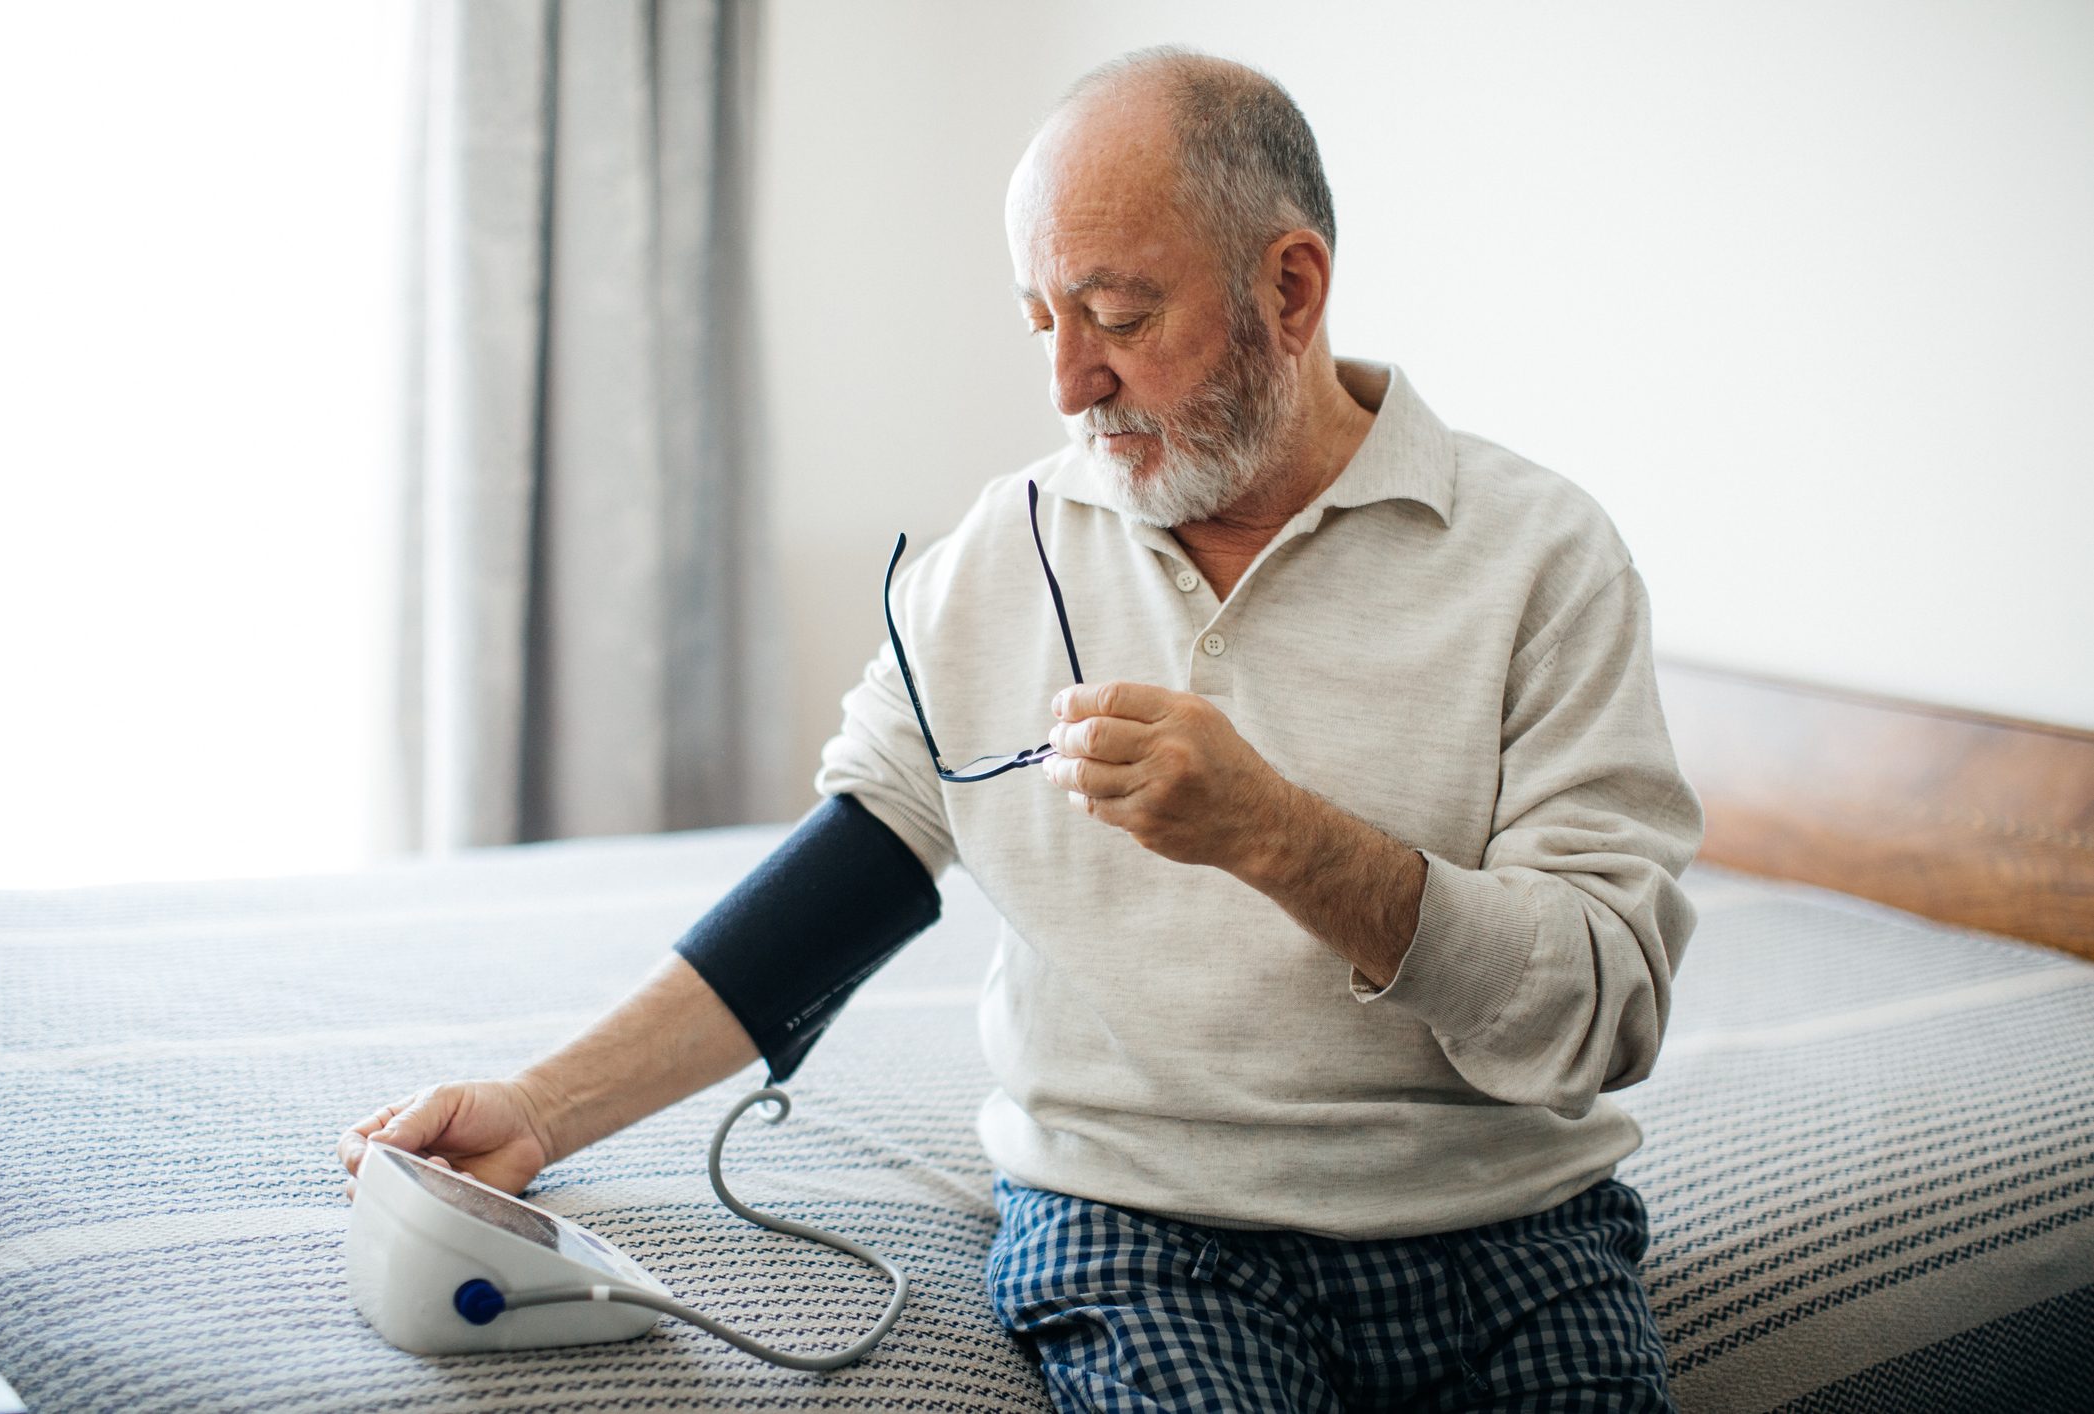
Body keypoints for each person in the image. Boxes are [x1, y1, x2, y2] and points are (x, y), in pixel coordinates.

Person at [340, 45, 1703, 1412]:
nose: (1066, 383)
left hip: (1507, 1228)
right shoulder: (996, 563)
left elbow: (1604, 1008)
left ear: (1288, 291)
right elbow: (851, 870)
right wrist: (539, 1108)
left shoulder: (1543, 560)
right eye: (1039, 316)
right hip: (1141, 1228)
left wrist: (1279, 836)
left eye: (1114, 311)